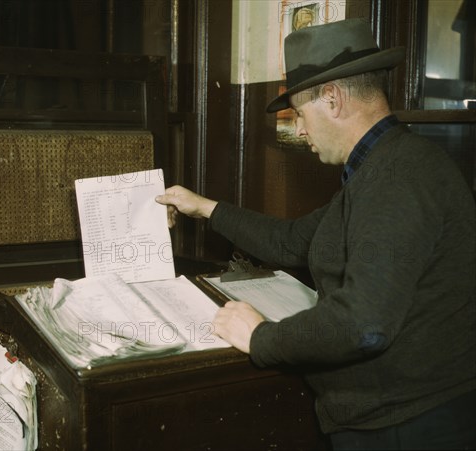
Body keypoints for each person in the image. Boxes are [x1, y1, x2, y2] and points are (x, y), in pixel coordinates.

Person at [155, 19, 476, 450]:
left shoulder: (398, 178)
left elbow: (363, 325)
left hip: (407, 423)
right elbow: (291, 241)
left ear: (333, 99)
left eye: (300, 115)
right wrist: (204, 207)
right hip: (391, 414)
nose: (300, 130)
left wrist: (260, 337)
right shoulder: (381, 168)